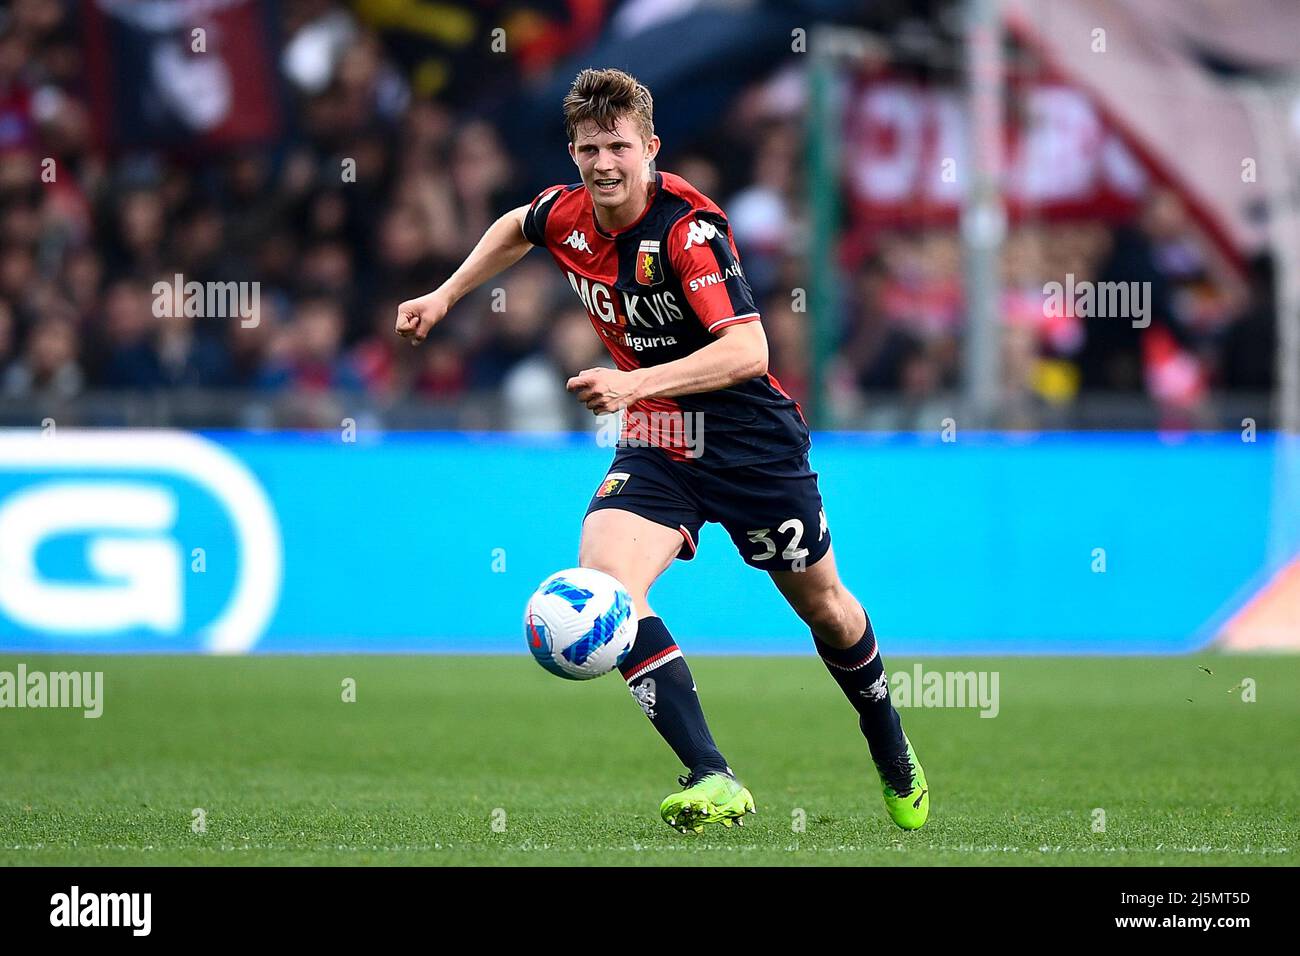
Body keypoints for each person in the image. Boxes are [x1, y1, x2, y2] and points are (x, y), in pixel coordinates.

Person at [396, 68, 928, 834]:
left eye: (618, 146)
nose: (603, 164)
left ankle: (888, 741)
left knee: (826, 610)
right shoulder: (568, 214)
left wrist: (633, 382)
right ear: (573, 153)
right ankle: (712, 774)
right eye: (588, 149)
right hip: (661, 434)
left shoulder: (688, 230)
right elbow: (517, 225)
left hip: (749, 440)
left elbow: (748, 348)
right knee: (606, 584)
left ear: (650, 146)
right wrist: (446, 294)